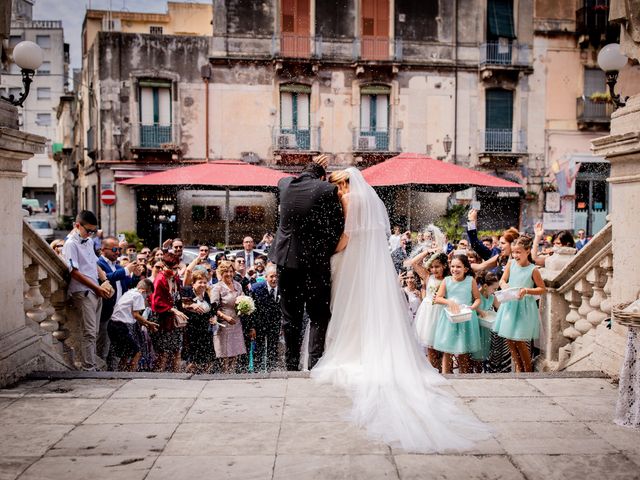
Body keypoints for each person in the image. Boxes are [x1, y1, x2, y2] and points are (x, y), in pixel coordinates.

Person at [310, 168, 490, 453]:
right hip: (369, 265)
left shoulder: (349, 199)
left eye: (336, 186)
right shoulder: (370, 200)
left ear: (343, 184)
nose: (335, 191)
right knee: (366, 304)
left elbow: (346, 236)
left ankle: (353, 349)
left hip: (352, 260)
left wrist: (333, 252)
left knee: (349, 305)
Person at [270, 155, 344, 371]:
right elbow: (335, 227)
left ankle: (291, 365)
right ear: (323, 176)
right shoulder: (327, 190)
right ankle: (314, 364)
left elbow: (297, 180)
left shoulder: (284, 185)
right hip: (314, 264)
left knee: (290, 316)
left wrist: (315, 167)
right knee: (318, 315)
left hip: (285, 261)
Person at [61, 210, 112, 371]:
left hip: (95, 289)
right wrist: (96, 287)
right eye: (88, 230)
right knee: (89, 332)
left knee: (94, 332)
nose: (90, 234)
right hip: (83, 291)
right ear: (77, 226)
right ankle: (89, 368)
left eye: (93, 231)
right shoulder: (70, 244)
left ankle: (91, 365)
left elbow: (94, 264)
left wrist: (105, 281)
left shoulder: (88, 241)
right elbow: (74, 272)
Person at [493, 235, 546, 372]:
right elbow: (502, 280)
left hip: (524, 307)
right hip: (510, 304)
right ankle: (519, 368)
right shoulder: (511, 264)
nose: (515, 255)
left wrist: (526, 290)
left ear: (527, 251)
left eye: (518, 252)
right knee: (509, 339)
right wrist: (504, 286)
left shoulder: (533, 269)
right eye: (513, 252)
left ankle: (527, 369)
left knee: (520, 341)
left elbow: (542, 289)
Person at [433, 254, 482, 374]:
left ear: (465, 269)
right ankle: (446, 375)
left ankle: (463, 377)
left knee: (463, 350)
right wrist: (449, 301)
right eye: (453, 266)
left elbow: (477, 299)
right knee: (447, 350)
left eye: (458, 267)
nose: (455, 269)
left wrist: (472, 307)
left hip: (465, 318)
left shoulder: (471, 281)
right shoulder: (447, 280)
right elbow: (437, 298)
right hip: (450, 319)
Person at [107, 278, 158, 371]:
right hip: (120, 326)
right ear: (143, 291)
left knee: (126, 353)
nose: (146, 298)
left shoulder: (129, 292)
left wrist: (145, 324)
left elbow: (133, 316)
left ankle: (120, 373)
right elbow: (136, 315)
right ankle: (130, 374)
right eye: (147, 295)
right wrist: (148, 323)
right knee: (137, 352)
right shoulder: (138, 295)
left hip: (112, 325)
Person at [150, 252, 188, 372]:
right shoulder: (160, 279)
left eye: (176, 268)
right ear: (164, 266)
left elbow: (177, 298)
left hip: (174, 320)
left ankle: (176, 376)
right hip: (163, 319)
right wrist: (173, 310)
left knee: (177, 350)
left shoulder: (175, 278)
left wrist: (186, 306)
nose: (174, 271)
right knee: (164, 352)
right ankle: (159, 376)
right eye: (171, 268)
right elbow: (156, 302)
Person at [411, 250, 449, 370]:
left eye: (437, 266)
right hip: (429, 314)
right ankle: (433, 370)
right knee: (431, 347)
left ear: (444, 265)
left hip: (442, 313)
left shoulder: (448, 279)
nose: (434, 269)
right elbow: (414, 263)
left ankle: (447, 372)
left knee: (445, 347)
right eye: (432, 267)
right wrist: (427, 252)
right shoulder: (428, 277)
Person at [211, 260, 246, 373]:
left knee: (235, 350)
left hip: (236, 321)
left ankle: (233, 372)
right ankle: (225, 373)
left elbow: (243, 299)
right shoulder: (217, 287)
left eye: (231, 271)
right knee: (225, 352)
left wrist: (245, 307)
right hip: (224, 323)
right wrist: (225, 317)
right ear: (221, 273)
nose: (229, 274)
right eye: (226, 272)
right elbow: (214, 308)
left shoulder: (238, 285)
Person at [181, 270, 217, 374]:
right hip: (191, 330)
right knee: (193, 358)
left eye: (205, 282)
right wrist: (191, 305)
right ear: (193, 283)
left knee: (208, 357)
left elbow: (212, 310)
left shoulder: (206, 295)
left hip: (205, 330)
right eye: (200, 282)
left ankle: (205, 377)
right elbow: (181, 304)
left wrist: (213, 318)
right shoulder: (187, 291)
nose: (202, 285)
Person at [249, 264, 283, 372]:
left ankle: (271, 370)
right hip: (259, 324)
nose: (274, 279)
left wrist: (282, 325)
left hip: (275, 324)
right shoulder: (256, 288)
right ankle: (257, 371)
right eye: (271, 276)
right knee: (258, 348)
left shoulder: (283, 288)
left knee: (273, 348)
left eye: (276, 276)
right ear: (266, 277)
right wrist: (252, 327)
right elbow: (251, 310)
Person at [471, 271, 500, 373]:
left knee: (483, 355)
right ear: (485, 286)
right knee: (475, 356)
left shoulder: (492, 297)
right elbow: (470, 307)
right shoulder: (476, 295)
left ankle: (480, 375)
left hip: (486, 329)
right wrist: (479, 311)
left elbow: (500, 309)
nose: (495, 291)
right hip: (475, 328)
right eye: (494, 288)